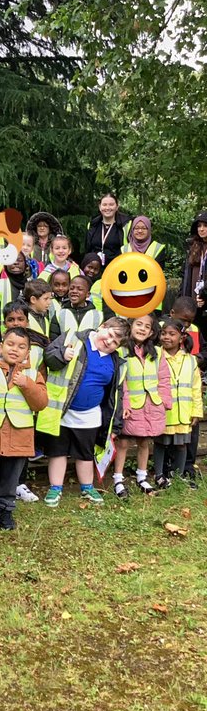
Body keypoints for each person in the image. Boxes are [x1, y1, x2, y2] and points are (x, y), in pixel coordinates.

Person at [36, 318, 128, 507]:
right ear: (101, 327)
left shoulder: (117, 361)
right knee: (58, 451)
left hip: (90, 415)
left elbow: (116, 395)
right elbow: (48, 358)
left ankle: (87, 487)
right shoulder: (74, 338)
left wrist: (116, 422)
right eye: (110, 335)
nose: (110, 342)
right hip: (61, 411)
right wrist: (62, 354)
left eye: (115, 342)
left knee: (85, 453)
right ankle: (55, 488)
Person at [0, 326, 48, 540]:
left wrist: (27, 385)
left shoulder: (32, 374)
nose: (15, 350)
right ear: (1, 346)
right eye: (10, 344)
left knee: (10, 480)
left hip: (19, 437)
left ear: (28, 353)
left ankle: (6, 511)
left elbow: (41, 403)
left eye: (21, 347)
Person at [112, 313, 168, 497]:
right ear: (131, 325)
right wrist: (125, 404)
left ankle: (142, 477)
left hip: (152, 405)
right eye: (139, 324)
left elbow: (164, 377)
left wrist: (165, 399)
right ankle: (118, 478)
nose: (142, 328)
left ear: (152, 332)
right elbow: (122, 381)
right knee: (123, 442)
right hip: (131, 406)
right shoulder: (121, 351)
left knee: (145, 441)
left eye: (147, 326)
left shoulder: (157, 352)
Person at [153, 318, 202, 488]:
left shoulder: (190, 360)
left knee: (182, 444)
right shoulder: (155, 356)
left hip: (184, 412)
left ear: (181, 337)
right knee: (161, 443)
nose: (166, 337)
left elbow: (196, 388)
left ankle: (178, 476)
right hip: (164, 411)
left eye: (171, 334)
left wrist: (196, 411)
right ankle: (158, 475)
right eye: (163, 333)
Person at [84, 193, 130, 265]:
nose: (107, 208)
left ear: (117, 207)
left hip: (117, 267)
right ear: (100, 207)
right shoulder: (92, 225)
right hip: (95, 269)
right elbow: (88, 249)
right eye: (104, 205)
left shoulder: (125, 225)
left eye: (111, 204)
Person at [179, 210, 207, 297]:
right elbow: (185, 276)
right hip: (192, 299)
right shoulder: (192, 247)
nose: (201, 229)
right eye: (199, 226)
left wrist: (204, 297)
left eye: (205, 226)